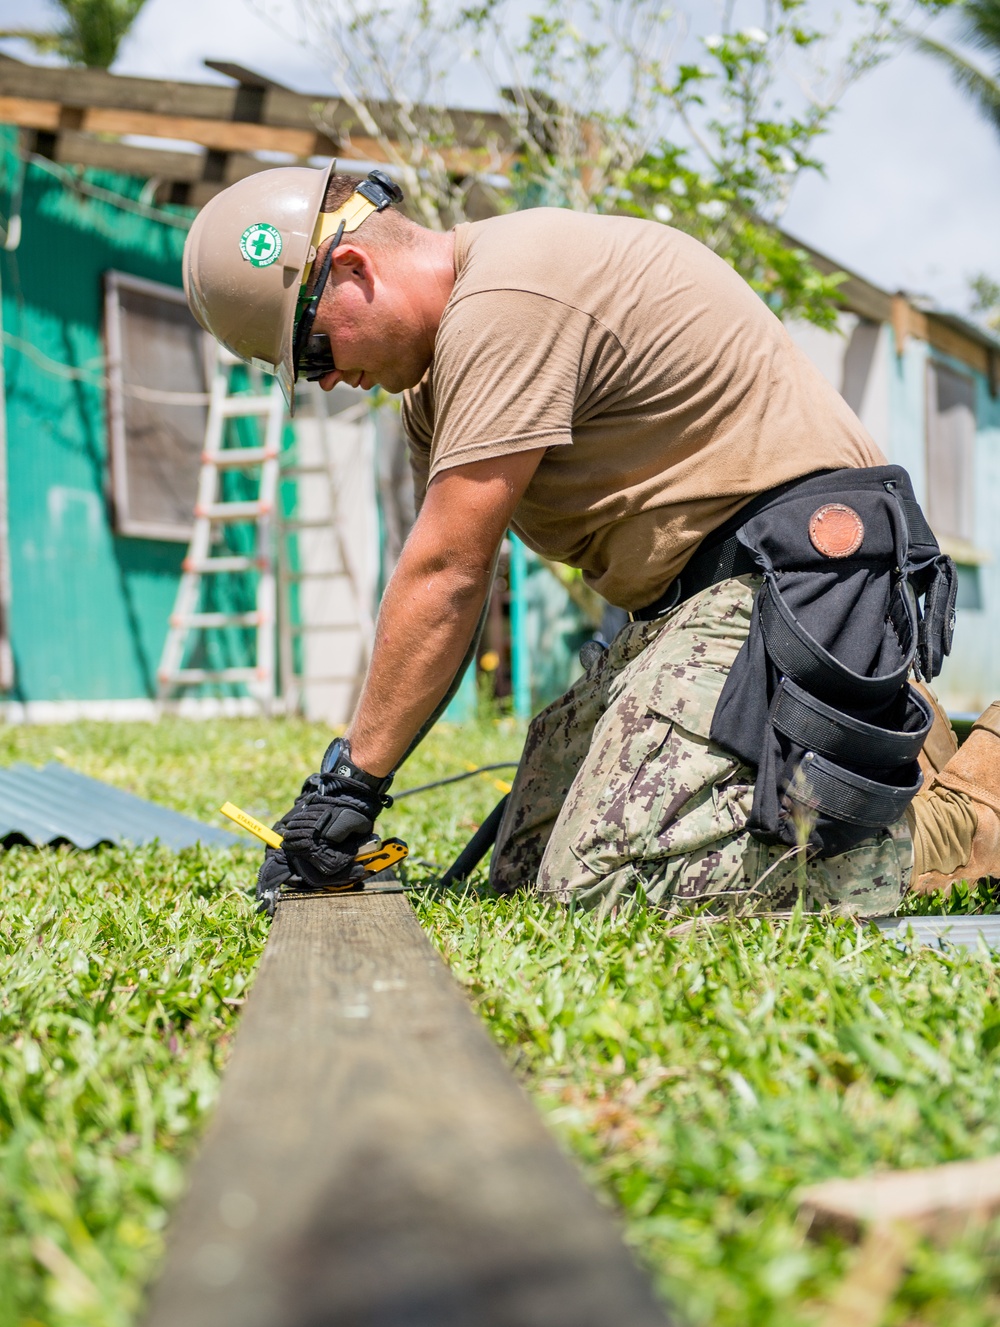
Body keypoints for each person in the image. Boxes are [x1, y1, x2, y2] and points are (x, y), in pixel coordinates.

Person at [183, 163, 1000, 915]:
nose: (323, 378)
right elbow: (451, 598)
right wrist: (354, 788)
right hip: (705, 605)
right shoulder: (433, 386)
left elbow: (445, 575)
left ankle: (961, 820)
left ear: (357, 271)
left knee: (609, 885)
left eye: (315, 347)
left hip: (798, 585)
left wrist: (351, 785)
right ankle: (883, 744)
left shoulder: (507, 299)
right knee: (528, 869)